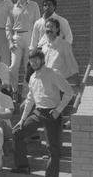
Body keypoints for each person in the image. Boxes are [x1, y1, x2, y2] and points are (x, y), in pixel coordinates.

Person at [10, 49, 74, 177]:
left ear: (42, 60)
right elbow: (30, 99)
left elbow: (69, 92)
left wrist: (58, 110)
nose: (33, 63)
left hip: (52, 114)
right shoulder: (33, 77)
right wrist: (22, 120)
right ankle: (23, 167)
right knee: (17, 133)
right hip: (38, 113)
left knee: (53, 150)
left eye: (36, 60)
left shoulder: (53, 73)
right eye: (31, 61)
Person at [6, 0, 40, 97]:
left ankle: (26, 93)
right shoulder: (12, 8)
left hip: (30, 36)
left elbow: (38, 24)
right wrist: (10, 41)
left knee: (28, 66)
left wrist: (36, 43)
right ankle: (15, 91)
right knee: (13, 67)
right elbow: (8, 27)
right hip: (16, 37)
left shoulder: (34, 5)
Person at [41, 18, 79, 85]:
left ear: (57, 29)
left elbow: (72, 65)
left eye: (52, 26)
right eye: (47, 27)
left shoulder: (64, 45)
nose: (49, 29)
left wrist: (77, 84)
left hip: (59, 85)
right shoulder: (43, 47)